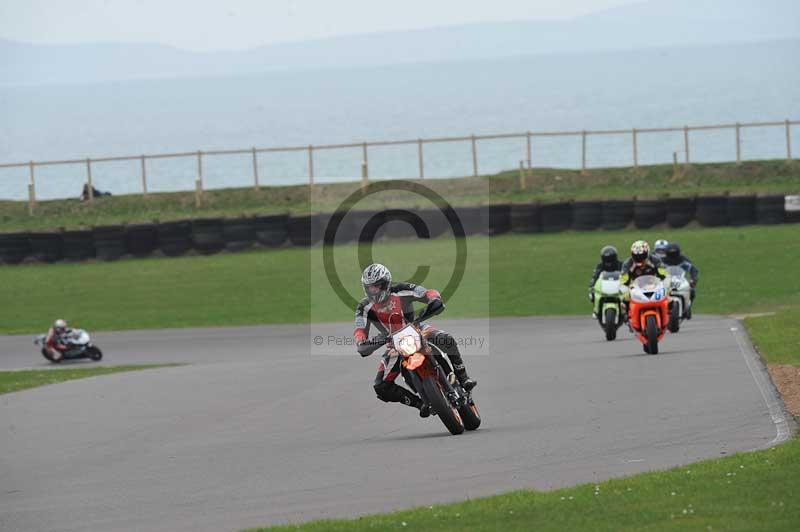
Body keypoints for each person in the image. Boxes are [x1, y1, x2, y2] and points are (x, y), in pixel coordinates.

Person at [353, 263, 477, 417]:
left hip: (417, 328)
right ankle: (420, 404)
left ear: (386, 283)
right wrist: (361, 341)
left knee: (446, 339)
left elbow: (426, 292)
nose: (374, 291)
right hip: (393, 343)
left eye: (377, 286)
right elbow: (359, 329)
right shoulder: (364, 307)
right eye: (370, 288)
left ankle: (463, 378)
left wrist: (434, 299)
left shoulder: (401, 289)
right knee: (381, 386)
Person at [663, 242, 699, 314]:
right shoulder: (662, 261)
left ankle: (688, 307)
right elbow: (656, 269)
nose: (673, 256)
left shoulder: (683, 260)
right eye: (671, 254)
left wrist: (693, 279)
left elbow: (693, 269)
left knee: (692, 291)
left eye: (674, 254)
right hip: (666, 281)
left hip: (681, 280)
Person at [588, 245, 623, 318]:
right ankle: (596, 310)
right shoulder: (600, 266)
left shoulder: (620, 265)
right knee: (592, 294)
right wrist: (592, 285)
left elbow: (626, 274)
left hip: (618, 285)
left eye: (611, 259)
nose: (609, 262)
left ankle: (626, 310)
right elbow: (595, 276)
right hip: (604, 285)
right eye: (606, 259)